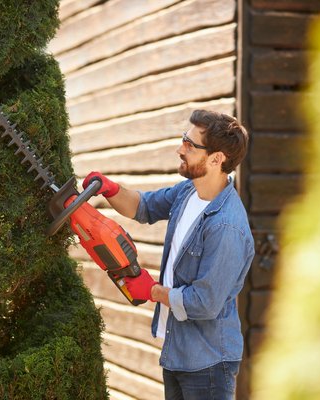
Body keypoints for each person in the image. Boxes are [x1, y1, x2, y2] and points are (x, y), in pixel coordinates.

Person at [83, 110, 255, 400]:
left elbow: (204, 303)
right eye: (182, 140)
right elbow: (143, 207)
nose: (180, 149)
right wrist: (110, 189)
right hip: (178, 350)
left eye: (190, 145)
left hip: (208, 362)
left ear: (217, 159)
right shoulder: (189, 192)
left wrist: (153, 291)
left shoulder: (226, 226)